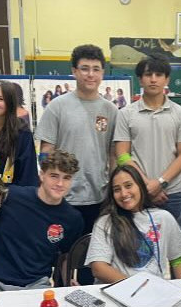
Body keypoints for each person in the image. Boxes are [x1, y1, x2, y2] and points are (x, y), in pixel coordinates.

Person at [0, 152, 84, 291]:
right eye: (54, 176)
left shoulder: (72, 218)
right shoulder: (11, 196)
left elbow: (66, 257)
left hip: (36, 284)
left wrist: (68, 285)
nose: (60, 183)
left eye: (67, 178)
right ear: (42, 175)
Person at [35, 44, 118, 231]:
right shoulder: (57, 107)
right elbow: (46, 151)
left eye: (96, 69)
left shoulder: (111, 110)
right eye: (84, 68)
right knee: (61, 252)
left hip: (99, 196)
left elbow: (113, 155)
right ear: (74, 71)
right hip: (62, 196)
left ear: (102, 73)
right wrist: (50, 186)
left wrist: (113, 189)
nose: (90, 74)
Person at [114, 56, 181, 221]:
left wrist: (160, 182)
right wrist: (145, 186)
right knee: (137, 245)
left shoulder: (180, 113)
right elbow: (122, 155)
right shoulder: (125, 114)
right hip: (136, 193)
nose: (153, 79)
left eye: (158, 75)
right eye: (148, 74)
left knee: (176, 245)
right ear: (140, 80)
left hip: (173, 194)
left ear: (167, 79)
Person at [87, 166, 181, 283]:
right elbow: (99, 268)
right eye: (117, 189)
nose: (124, 193)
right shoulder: (105, 222)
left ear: (140, 186)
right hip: (118, 290)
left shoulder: (164, 218)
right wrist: (134, 287)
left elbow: (178, 260)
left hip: (155, 292)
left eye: (128, 185)